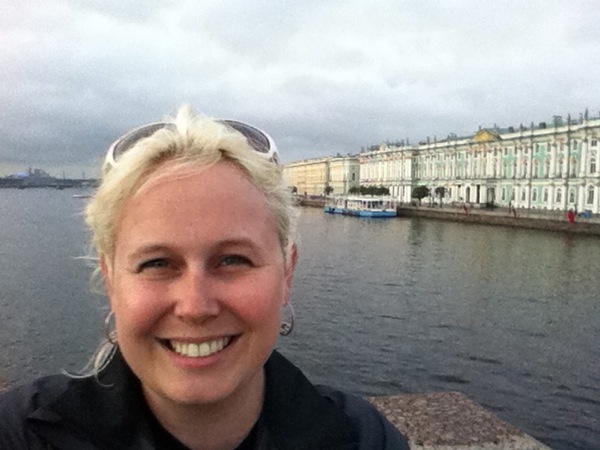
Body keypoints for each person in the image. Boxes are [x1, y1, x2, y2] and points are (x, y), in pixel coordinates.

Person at [0, 106, 408, 449]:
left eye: (232, 260)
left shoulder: (365, 439)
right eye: (156, 264)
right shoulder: (20, 434)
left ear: (287, 272)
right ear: (110, 281)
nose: (195, 307)